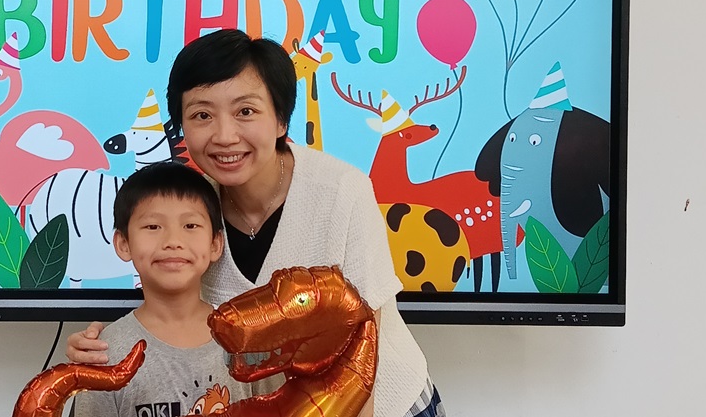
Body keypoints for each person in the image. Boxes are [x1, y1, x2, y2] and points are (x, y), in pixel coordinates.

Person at [68, 29, 444, 417]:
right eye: (202, 115)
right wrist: (103, 345)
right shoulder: (191, 210)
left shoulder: (342, 191)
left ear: (281, 119)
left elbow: (365, 343)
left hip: (383, 403)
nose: (224, 136)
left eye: (245, 111)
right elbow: (172, 309)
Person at [72, 161, 251, 417]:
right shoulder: (105, 353)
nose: (173, 241)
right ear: (123, 244)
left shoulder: (245, 342)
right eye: (153, 227)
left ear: (215, 244)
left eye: (190, 226)